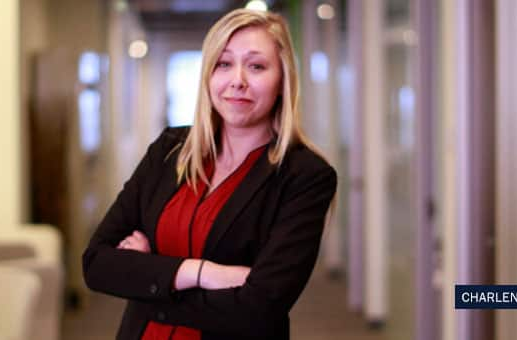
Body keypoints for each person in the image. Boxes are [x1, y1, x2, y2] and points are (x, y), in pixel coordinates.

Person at [82, 8, 337, 340]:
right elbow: (97, 264)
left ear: (283, 81)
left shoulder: (304, 176)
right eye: (223, 64)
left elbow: (260, 306)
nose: (237, 81)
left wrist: (149, 280)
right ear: (208, 76)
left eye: (257, 66)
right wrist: (202, 273)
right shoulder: (169, 150)